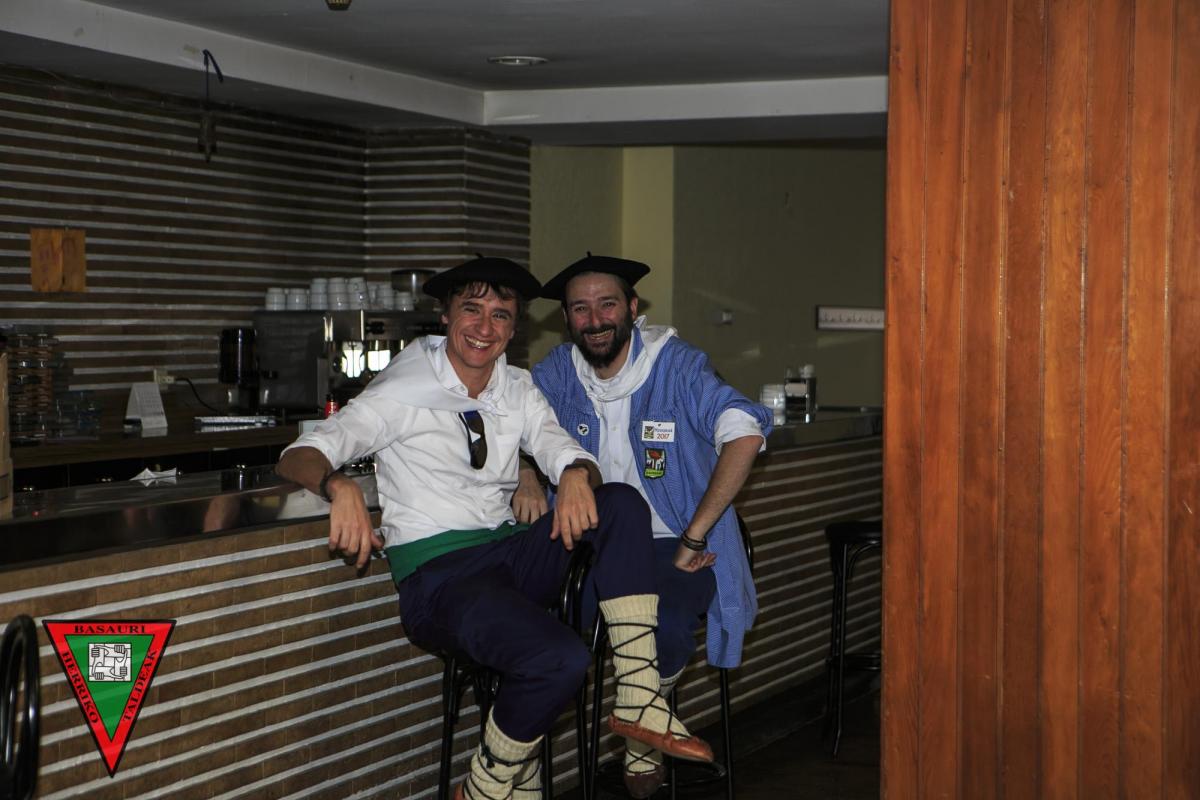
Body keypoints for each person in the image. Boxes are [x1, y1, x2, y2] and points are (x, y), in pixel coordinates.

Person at [276, 257, 715, 800]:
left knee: (620, 502)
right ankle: (489, 788)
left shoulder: (517, 387)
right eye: (472, 310)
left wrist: (575, 473)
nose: (485, 328)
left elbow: (563, 450)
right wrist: (339, 487)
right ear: (445, 316)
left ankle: (639, 697)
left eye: (501, 315)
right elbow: (300, 454)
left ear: (513, 329)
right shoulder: (402, 386)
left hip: (510, 559)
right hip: (442, 579)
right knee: (562, 658)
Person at [519, 254, 771, 798]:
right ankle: (527, 766)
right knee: (541, 637)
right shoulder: (555, 374)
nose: (595, 320)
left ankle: (639, 738)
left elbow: (746, 431)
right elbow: (513, 425)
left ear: (633, 308)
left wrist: (695, 534)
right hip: (585, 548)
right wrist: (526, 476)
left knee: (670, 626)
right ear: (566, 318)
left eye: (607, 304)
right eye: (580, 309)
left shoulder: (676, 366)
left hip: (671, 545)